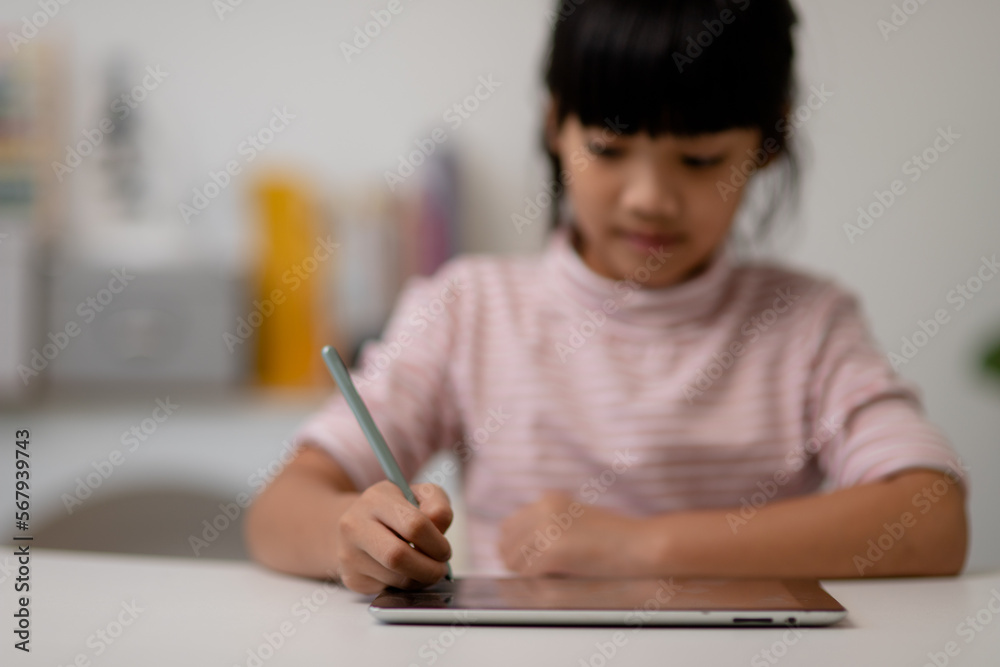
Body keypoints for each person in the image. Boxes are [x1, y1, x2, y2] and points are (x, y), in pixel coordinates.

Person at [244, 0, 968, 594]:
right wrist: (352, 532)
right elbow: (280, 509)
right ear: (555, 123)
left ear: (769, 142)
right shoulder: (468, 309)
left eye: (700, 159)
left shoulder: (808, 325)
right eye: (610, 149)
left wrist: (642, 547)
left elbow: (934, 518)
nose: (650, 198)